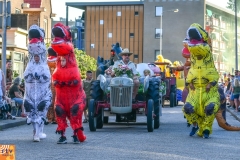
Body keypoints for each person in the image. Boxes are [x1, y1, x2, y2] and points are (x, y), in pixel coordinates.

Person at [51, 22, 86, 144]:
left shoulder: (70, 50)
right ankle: (62, 135)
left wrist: (70, 82)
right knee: (59, 110)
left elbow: (76, 80)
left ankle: (76, 133)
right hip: (61, 98)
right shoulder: (59, 61)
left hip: (75, 97)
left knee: (75, 110)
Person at [23, 25, 52, 142]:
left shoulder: (44, 66)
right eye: (34, 57)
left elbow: (47, 78)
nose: (35, 58)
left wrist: (40, 77)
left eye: (37, 56)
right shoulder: (29, 65)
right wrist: (30, 76)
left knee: (41, 112)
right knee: (33, 113)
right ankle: (35, 133)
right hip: (31, 94)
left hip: (41, 94)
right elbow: (25, 77)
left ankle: (39, 132)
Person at [47, 47, 58, 124]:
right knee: (56, 101)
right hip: (56, 83)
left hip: (47, 83)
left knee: (49, 100)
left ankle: (49, 118)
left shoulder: (46, 61)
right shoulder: (58, 60)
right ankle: (56, 118)